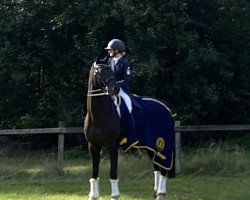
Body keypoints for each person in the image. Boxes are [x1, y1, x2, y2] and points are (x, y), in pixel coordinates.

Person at [104, 39, 141, 114]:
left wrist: (116, 84)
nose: (108, 51)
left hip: (121, 89)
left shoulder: (125, 63)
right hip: (110, 89)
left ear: (116, 50)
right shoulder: (110, 61)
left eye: (110, 50)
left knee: (128, 105)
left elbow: (127, 80)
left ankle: (130, 119)